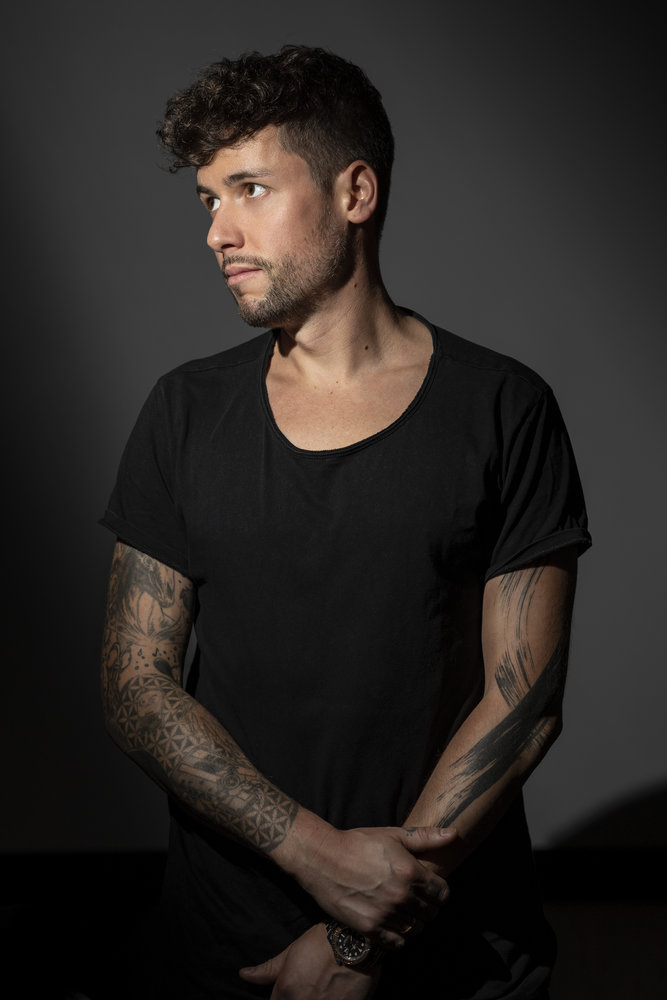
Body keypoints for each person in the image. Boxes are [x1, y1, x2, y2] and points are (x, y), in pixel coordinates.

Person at [100, 45, 591, 999]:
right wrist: (319, 857)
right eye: (207, 199)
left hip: (451, 950)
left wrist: (360, 937)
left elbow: (522, 701)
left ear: (354, 192)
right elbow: (135, 686)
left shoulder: (503, 408)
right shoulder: (184, 412)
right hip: (228, 946)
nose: (217, 231)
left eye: (248, 189)